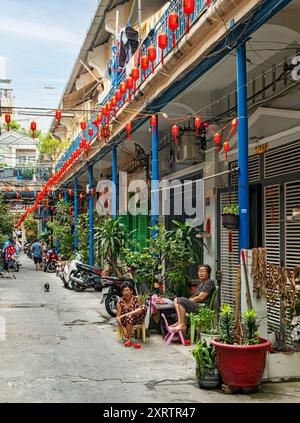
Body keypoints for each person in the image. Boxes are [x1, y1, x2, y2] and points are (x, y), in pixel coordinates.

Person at [171, 264, 216, 332]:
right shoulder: (201, 283)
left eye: (203, 271)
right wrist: (190, 300)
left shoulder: (208, 282)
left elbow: (201, 297)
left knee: (181, 300)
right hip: (198, 305)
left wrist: (190, 300)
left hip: (203, 308)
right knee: (176, 299)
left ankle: (183, 325)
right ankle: (180, 321)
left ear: (208, 273)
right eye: (199, 271)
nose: (201, 273)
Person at [116, 281, 147, 348]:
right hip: (126, 321)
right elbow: (118, 317)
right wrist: (124, 329)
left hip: (137, 319)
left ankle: (127, 315)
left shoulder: (136, 298)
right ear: (122, 292)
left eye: (128, 290)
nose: (126, 293)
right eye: (124, 291)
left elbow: (141, 309)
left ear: (132, 291)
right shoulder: (120, 302)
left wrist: (125, 314)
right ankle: (129, 339)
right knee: (129, 317)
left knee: (144, 307)